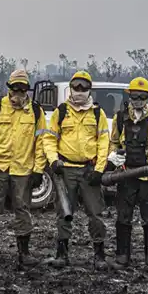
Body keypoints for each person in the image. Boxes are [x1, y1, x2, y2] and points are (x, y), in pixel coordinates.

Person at [0, 69, 47, 266]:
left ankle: (24, 253)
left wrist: (38, 170)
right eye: (15, 88)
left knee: (22, 209)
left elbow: (41, 143)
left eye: (23, 89)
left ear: (27, 90)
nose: (19, 93)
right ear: (9, 88)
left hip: (23, 169)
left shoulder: (36, 111)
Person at [41, 70, 110, 269]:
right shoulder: (61, 112)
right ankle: (62, 254)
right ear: (71, 89)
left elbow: (103, 142)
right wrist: (53, 161)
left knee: (95, 214)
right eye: (76, 87)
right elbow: (49, 138)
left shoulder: (97, 114)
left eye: (84, 87)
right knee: (64, 213)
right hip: (66, 170)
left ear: (89, 90)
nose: (79, 91)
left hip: (89, 170)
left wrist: (99, 170)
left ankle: (99, 255)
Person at [107, 77, 148, 272]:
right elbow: (114, 142)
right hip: (125, 176)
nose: (138, 100)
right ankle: (122, 257)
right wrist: (113, 156)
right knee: (123, 218)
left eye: (142, 96)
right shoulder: (119, 118)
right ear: (130, 96)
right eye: (135, 96)